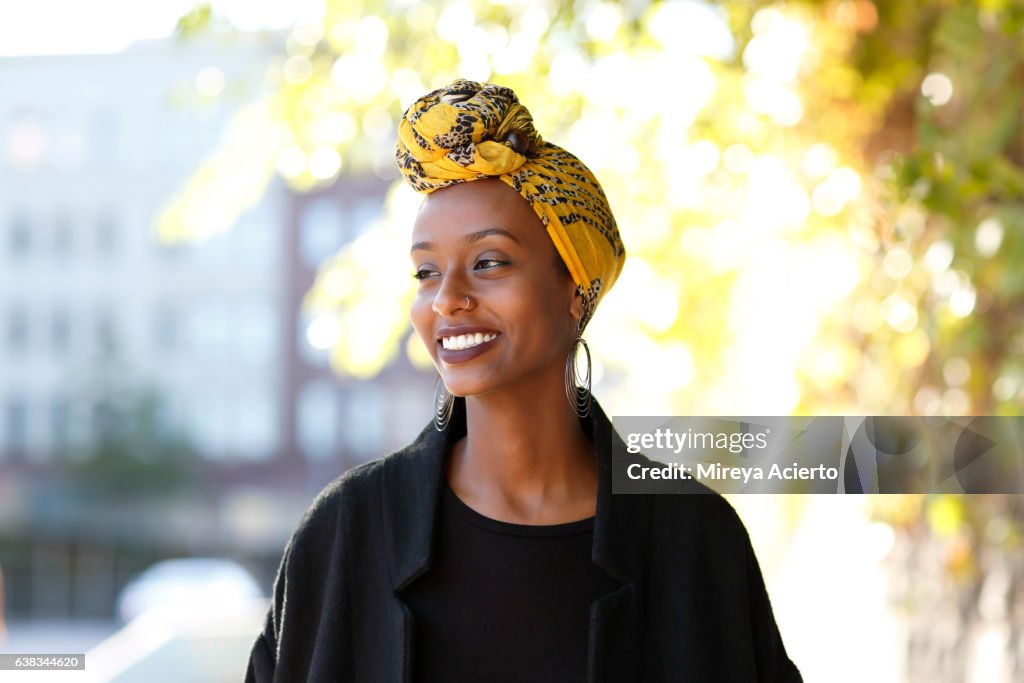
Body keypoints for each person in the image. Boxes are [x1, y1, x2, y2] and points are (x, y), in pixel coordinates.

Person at [246, 79, 802, 682]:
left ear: (574, 290)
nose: (447, 299)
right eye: (426, 272)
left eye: (489, 262)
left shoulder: (694, 539)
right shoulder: (344, 533)